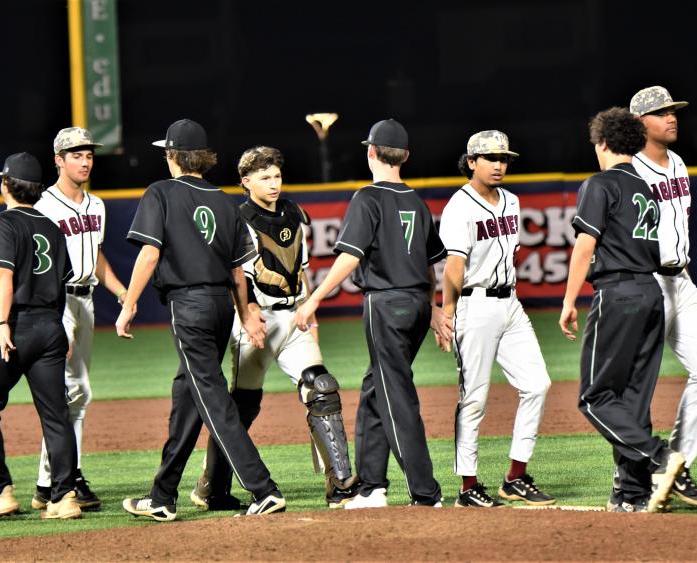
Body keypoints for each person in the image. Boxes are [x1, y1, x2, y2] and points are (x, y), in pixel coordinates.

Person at [117, 119, 285, 522]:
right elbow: (238, 270)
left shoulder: (160, 192)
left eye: (166, 152)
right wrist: (243, 312)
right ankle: (163, 494)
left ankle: (263, 488)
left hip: (188, 305)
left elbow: (150, 255)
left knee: (210, 395)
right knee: (188, 396)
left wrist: (128, 304)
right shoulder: (226, 201)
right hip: (219, 305)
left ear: (174, 156)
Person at [190, 146, 358, 511]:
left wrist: (311, 319)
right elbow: (237, 276)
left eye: (277, 175)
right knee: (241, 408)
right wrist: (248, 315)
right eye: (264, 177)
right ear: (246, 182)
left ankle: (341, 485)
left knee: (322, 387)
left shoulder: (294, 213)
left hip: (293, 316)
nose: (273, 183)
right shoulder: (238, 218)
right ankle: (212, 487)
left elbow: (301, 272)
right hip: (256, 321)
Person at [295, 119, 450, 508]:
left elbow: (351, 257)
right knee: (375, 390)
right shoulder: (416, 199)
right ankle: (372, 486)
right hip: (414, 304)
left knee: (396, 395)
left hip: (386, 305)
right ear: (406, 156)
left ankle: (426, 492)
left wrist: (314, 300)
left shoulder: (368, 197)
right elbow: (430, 263)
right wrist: (431, 308)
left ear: (371, 152)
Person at [559, 107, 685, 513]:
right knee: (632, 399)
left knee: (594, 398)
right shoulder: (647, 187)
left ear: (604, 143)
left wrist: (568, 301)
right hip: (651, 292)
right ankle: (631, 494)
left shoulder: (599, 184)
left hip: (619, 293)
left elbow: (585, 248)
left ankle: (661, 459)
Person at [438, 131, 555, 508]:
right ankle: (468, 487)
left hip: (510, 303)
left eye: (503, 158)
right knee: (474, 398)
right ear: (471, 161)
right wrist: (448, 312)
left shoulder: (512, 201)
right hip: (474, 306)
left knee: (537, 384)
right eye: (490, 157)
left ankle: (515, 477)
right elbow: (454, 266)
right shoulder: (460, 206)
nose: (499, 164)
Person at [0, 153, 81, 521]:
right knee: (56, 415)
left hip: (17, 325)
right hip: (50, 325)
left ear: (5, 185)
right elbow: (63, 283)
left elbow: (3, 277)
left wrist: (2, 326)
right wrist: (61, 328)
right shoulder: (52, 227)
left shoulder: (1, 223)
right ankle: (65, 497)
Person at [629, 86, 697, 508]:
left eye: (673, 111)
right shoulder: (629, 171)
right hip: (645, 282)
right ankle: (634, 478)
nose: (671, 118)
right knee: (638, 385)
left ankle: (676, 465)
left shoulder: (679, 163)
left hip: (680, 281)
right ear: (638, 124)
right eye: (661, 113)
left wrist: (684, 275)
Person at [30, 127, 127, 512]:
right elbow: (39, 270)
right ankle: (68, 477)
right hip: (59, 303)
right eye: (76, 154)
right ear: (58, 159)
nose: (85, 161)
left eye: (88, 154)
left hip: (85, 302)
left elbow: (97, 256)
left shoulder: (96, 205)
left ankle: (47, 481)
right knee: (75, 392)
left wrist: (121, 293)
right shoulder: (44, 207)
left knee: (75, 397)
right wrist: (55, 319)